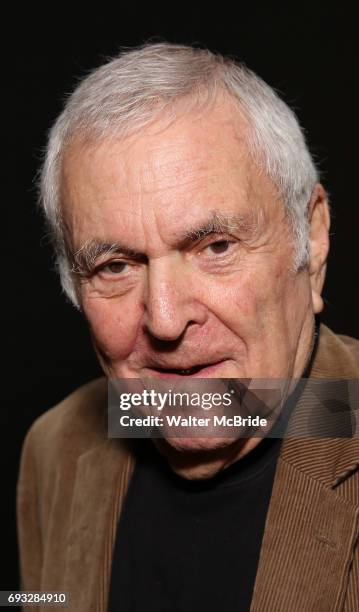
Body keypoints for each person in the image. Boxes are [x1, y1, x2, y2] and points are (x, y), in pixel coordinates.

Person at [17, 43, 359, 612]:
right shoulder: (55, 448)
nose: (168, 319)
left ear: (312, 239)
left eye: (215, 246)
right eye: (116, 266)